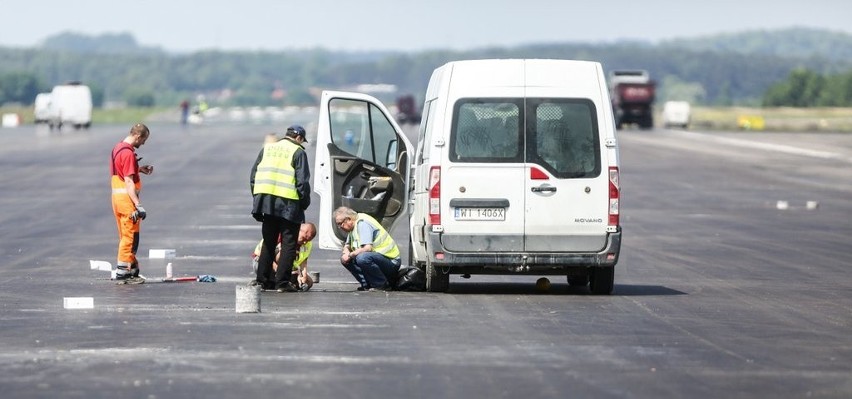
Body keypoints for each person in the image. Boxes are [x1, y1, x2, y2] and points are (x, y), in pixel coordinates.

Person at [250, 125, 311, 292]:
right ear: (299, 138)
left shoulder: (268, 149)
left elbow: (253, 176)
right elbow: (302, 182)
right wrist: (304, 203)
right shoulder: (298, 152)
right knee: (288, 244)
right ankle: (282, 283)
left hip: (267, 202)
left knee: (268, 242)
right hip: (289, 203)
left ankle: (262, 280)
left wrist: (257, 200)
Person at [110, 123, 154, 284]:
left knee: (125, 235)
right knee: (130, 236)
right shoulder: (128, 154)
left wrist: (139, 169)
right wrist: (137, 204)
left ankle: (132, 268)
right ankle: (123, 272)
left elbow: (122, 173)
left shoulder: (118, 148)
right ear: (137, 136)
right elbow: (128, 181)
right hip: (127, 201)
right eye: (143, 139)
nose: (143, 143)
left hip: (117, 199)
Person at [335, 206, 401, 291]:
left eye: (340, 223)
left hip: (391, 261)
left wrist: (350, 255)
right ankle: (366, 283)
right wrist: (346, 252)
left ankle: (381, 284)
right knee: (345, 259)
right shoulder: (352, 227)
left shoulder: (362, 224)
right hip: (378, 259)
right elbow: (347, 245)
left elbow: (367, 248)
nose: (340, 227)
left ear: (349, 219)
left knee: (362, 258)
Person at [250, 223, 317, 291]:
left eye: (308, 240)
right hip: (265, 264)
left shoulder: (307, 244)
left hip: (287, 268)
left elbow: (303, 261)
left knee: (309, 282)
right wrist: (281, 271)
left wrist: (304, 275)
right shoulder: (282, 236)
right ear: (298, 230)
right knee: (282, 251)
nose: (305, 242)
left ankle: (279, 281)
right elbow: (261, 254)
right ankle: (271, 281)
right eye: (303, 238)